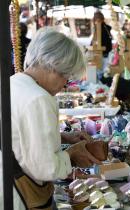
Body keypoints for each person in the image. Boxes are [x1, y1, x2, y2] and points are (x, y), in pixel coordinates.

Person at [2, 27, 102, 210]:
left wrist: (62, 137)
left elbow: (21, 136)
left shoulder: (14, 83)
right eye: (66, 76)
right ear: (53, 66)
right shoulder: (39, 98)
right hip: (22, 197)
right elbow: (46, 168)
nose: (65, 84)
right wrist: (72, 153)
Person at [91, 11, 113, 78]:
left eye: (96, 20)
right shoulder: (105, 27)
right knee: (103, 72)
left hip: (103, 53)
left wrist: (93, 46)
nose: (95, 21)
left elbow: (97, 41)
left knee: (102, 72)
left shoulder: (101, 28)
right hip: (105, 52)